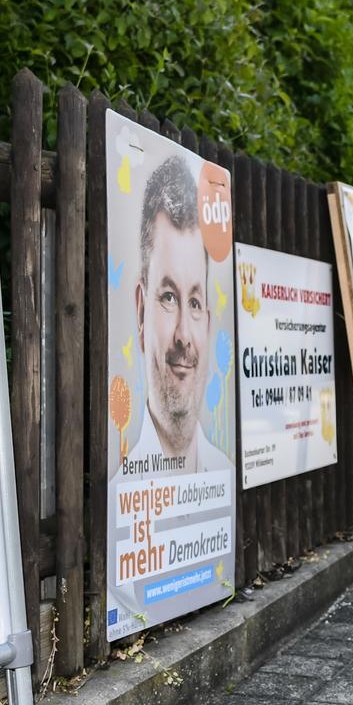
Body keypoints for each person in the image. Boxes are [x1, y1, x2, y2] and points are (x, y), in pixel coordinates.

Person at [127, 157, 230, 476]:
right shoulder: (122, 489)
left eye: (196, 302)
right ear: (142, 311)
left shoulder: (223, 473)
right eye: (169, 297)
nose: (184, 335)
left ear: (209, 324)